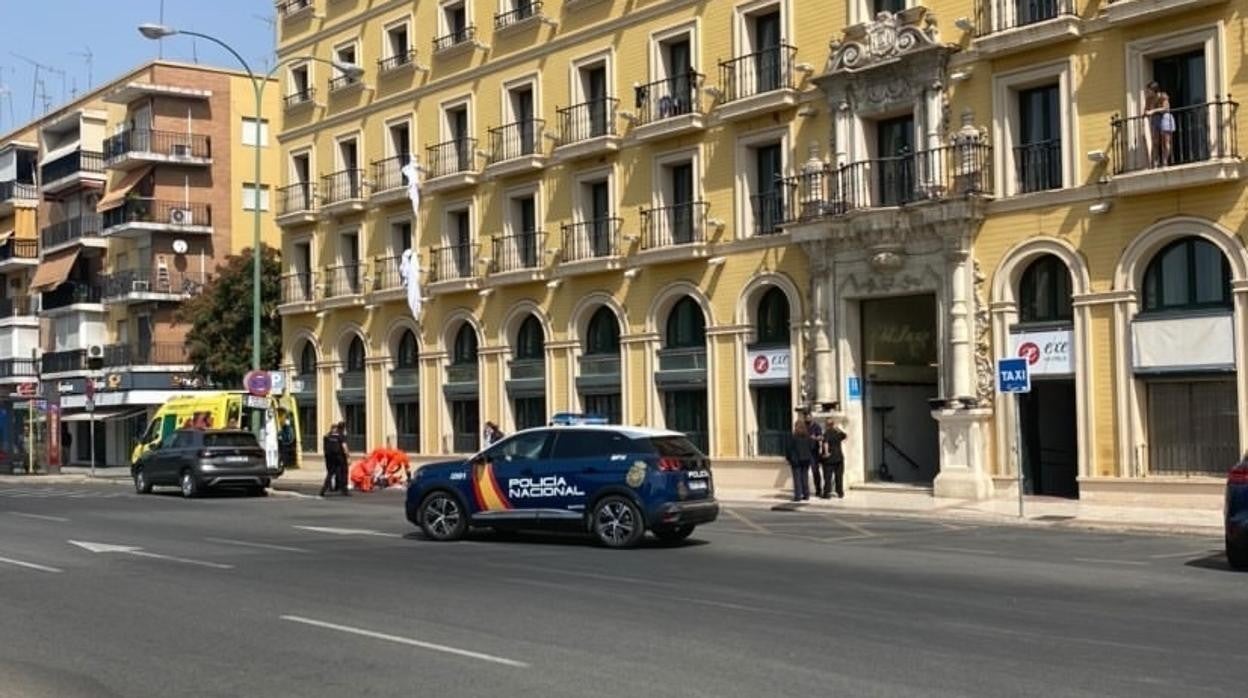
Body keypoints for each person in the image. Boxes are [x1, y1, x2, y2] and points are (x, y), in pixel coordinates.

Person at [784, 419, 815, 502]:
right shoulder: (808, 437)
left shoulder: (793, 437)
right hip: (806, 459)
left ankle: (798, 495)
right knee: (805, 477)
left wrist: (788, 458)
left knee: (797, 478)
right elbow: (812, 446)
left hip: (796, 460)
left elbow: (789, 449)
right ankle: (806, 494)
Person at [1145, 81, 1175, 168]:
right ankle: (1155, 162)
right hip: (1155, 120)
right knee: (1155, 142)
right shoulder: (1149, 99)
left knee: (1165, 141)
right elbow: (1146, 109)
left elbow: (1166, 108)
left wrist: (1153, 111)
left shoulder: (1163, 96)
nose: (1147, 92)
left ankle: (1165, 161)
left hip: (1165, 118)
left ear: (1154, 90)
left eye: (1149, 90)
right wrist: (1146, 112)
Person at [819, 418, 848, 499]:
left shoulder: (826, 433)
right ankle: (840, 493)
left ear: (826, 425)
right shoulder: (837, 433)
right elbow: (845, 435)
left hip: (829, 459)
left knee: (828, 477)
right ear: (833, 424)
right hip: (839, 458)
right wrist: (838, 428)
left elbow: (826, 443)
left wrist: (826, 452)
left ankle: (826, 493)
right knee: (839, 476)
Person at [319, 422, 350, 497]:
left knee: (330, 473)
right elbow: (344, 446)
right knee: (343, 472)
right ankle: (344, 490)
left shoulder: (328, 436)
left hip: (330, 457)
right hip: (339, 457)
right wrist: (348, 457)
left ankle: (323, 489)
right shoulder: (341, 436)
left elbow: (325, 447)